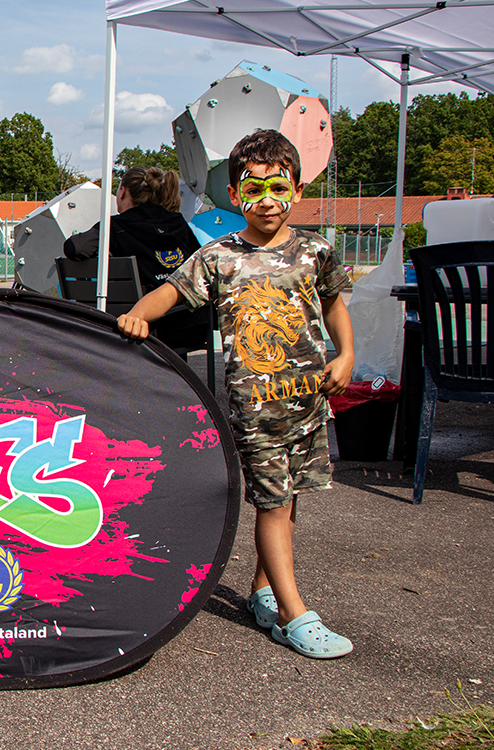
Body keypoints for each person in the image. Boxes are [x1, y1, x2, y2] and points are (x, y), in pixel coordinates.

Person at [116, 130, 355, 659]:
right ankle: (294, 613)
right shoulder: (221, 256)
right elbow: (171, 291)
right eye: (254, 188)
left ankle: (262, 591)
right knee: (271, 502)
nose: (266, 199)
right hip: (256, 403)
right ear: (234, 192)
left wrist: (347, 355)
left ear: (296, 189)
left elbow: (335, 304)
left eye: (277, 186)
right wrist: (136, 315)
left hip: (309, 399)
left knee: (289, 499)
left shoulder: (316, 250)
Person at [64, 166, 210, 352]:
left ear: (123, 192)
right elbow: (202, 261)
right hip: (190, 324)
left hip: (136, 329)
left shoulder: (115, 227)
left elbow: (74, 248)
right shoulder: (178, 222)